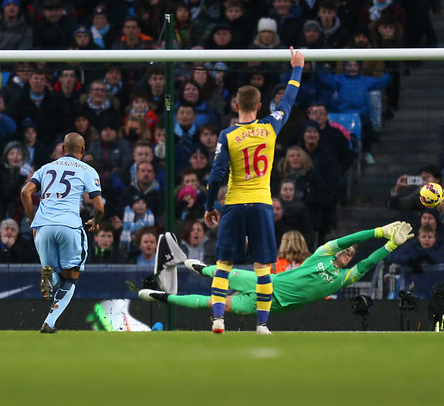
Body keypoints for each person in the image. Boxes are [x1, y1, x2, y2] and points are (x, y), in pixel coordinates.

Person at [202, 47, 304, 335]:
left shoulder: (228, 135)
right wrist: (296, 68)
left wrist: (210, 205)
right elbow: (289, 100)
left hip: (234, 205)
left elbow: (217, 174)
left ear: (236, 106)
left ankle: (219, 319)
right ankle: (262, 324)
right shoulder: (270, 126)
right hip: (261, 204)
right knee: (262, 268)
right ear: (260, 107)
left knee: (223, 265)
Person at [139, 222, 414, 319]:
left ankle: (159, 296)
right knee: (216, 272)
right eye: (347, 249)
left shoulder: (345, 277)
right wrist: (379, 232)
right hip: (267, 282)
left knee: (214, 305)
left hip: (270, 305)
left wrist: (389, 245)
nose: (346, 252)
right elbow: (348, 239)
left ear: (350, 261)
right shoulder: (322, 254)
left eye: (350, 254)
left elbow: (366, 265)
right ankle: (182, 261)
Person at [20, 133, 104, 334]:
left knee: (54, 273)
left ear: (63, 149)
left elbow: (25, 192)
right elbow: (99, 207)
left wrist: (34, 221)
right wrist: (96, 221)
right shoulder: (87, 170)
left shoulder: (46, 168)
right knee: (71, 277)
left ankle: (51, 279)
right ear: (82, 150)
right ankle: (49, 322)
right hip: (69, 225)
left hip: (43, 228)